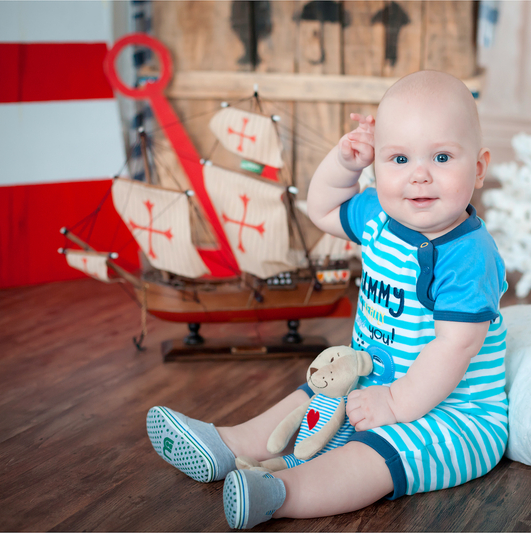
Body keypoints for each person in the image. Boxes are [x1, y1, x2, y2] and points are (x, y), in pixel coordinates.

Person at [146, 70, 508, 529]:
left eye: (441, 157)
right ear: (377, 165)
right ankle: (230, 444)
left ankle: (280, 493)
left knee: (372, 458)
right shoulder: (378, 213)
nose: (419, 175)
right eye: (399, 158)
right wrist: (344, 164)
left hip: (452, 415)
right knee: (310, 398)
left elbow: (455, 346)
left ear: (478, 167)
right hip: (369, 384)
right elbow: (323, 209)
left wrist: (395, 404)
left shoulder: (467, 255)